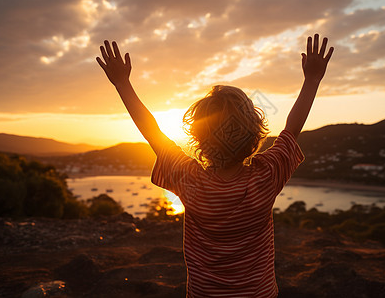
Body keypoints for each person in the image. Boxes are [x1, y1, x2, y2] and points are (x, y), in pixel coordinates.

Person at [96, 34, 333, 298]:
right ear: (255, 135)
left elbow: (152, 132)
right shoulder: (267, 175)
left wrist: (122, 84)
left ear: (198, 139)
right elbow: (292, 129)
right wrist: (312, 80)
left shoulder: (189, 179)